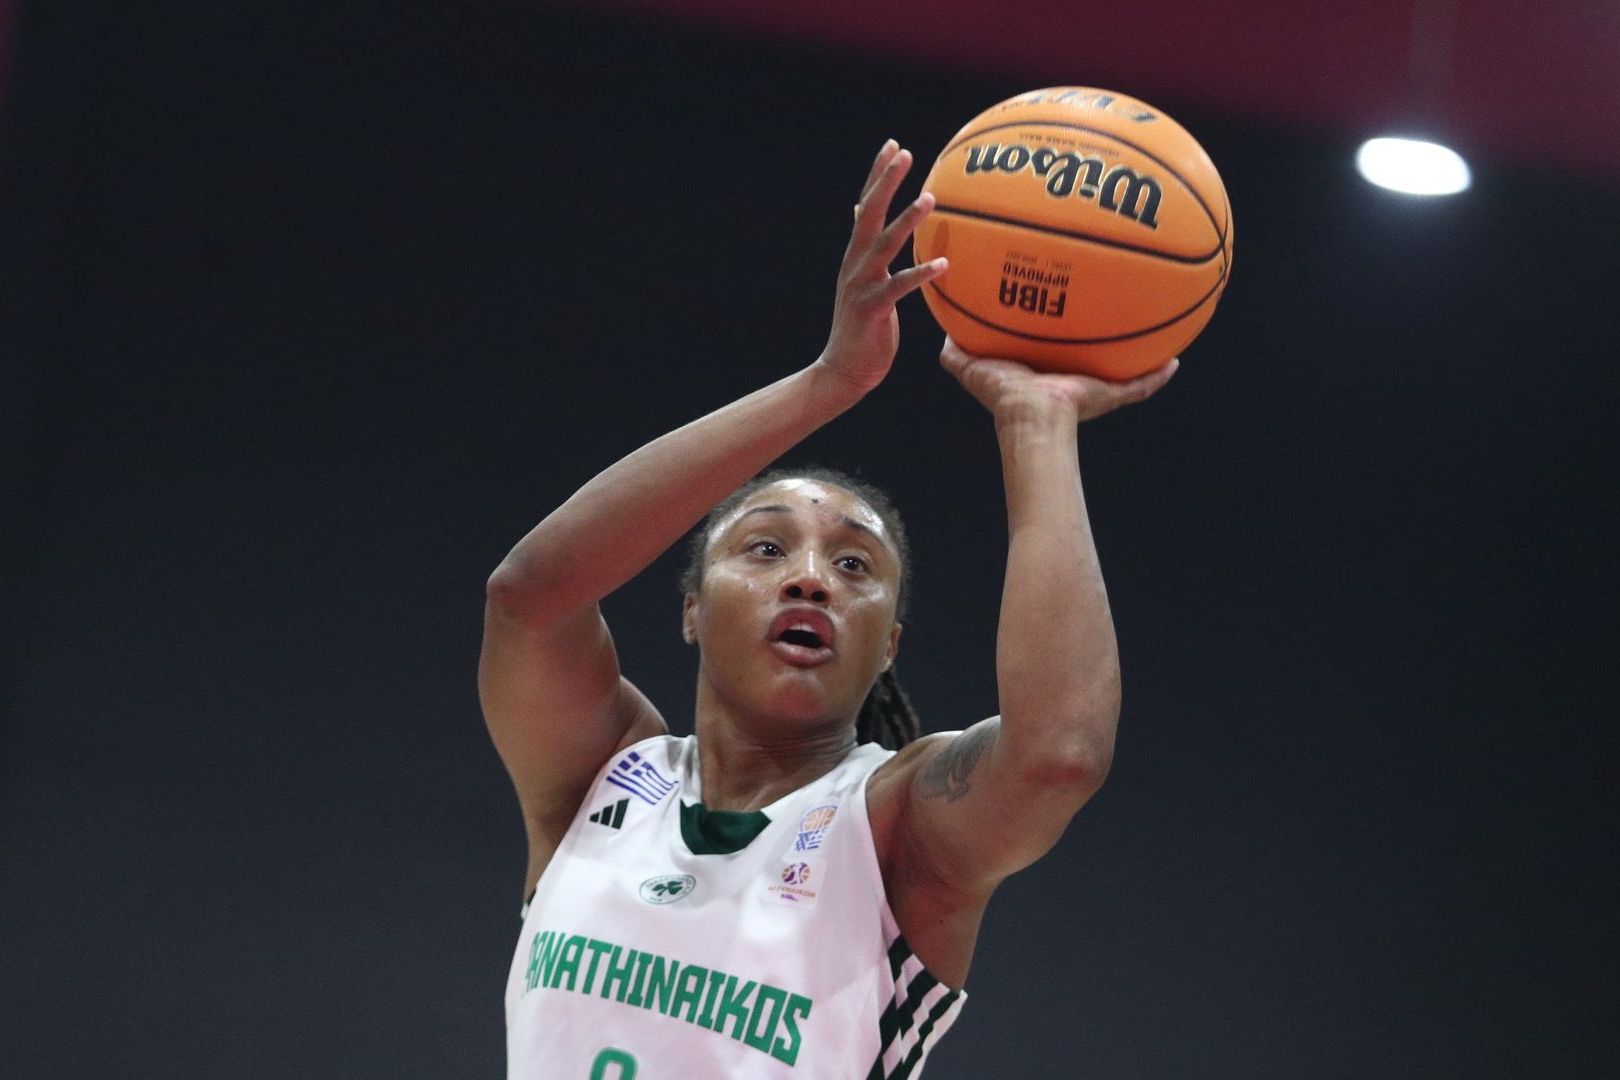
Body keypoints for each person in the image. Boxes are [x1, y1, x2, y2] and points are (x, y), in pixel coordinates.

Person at [483, 139, 1178, 1078]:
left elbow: (1057, 757)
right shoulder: (603, 779)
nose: (810, 578)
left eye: (854, 566)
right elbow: (529, 597)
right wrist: (828, 382)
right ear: (691, 610)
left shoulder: (892, 830)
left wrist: (1034, 420)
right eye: (765, 548)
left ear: (888, 645)